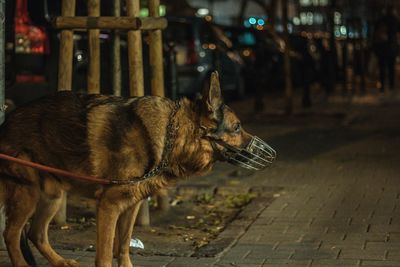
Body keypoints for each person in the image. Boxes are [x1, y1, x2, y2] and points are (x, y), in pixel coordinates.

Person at [373, 4, 399, 92]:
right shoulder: (395, 20)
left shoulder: (381, 20)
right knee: (391, 67)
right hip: (391, 46)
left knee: (382, 67)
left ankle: (383, 85)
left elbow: (375, 33)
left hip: (382, 47)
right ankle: (391, 85)